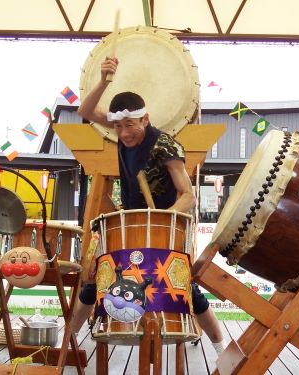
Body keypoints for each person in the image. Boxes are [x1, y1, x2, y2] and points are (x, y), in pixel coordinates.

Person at [70, 56, 226, 354]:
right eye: (118, 126)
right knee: (95, 283)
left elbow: (188, 196)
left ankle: (222, 348)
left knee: (186, 289)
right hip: (129, 228)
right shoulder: (121, 134)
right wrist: (103, 81)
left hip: (165, 230)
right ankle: (71, 344)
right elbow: (85, 111)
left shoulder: (165, 145)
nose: (124, 133)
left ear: (145, 119)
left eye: (130, 125)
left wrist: (161, 219)